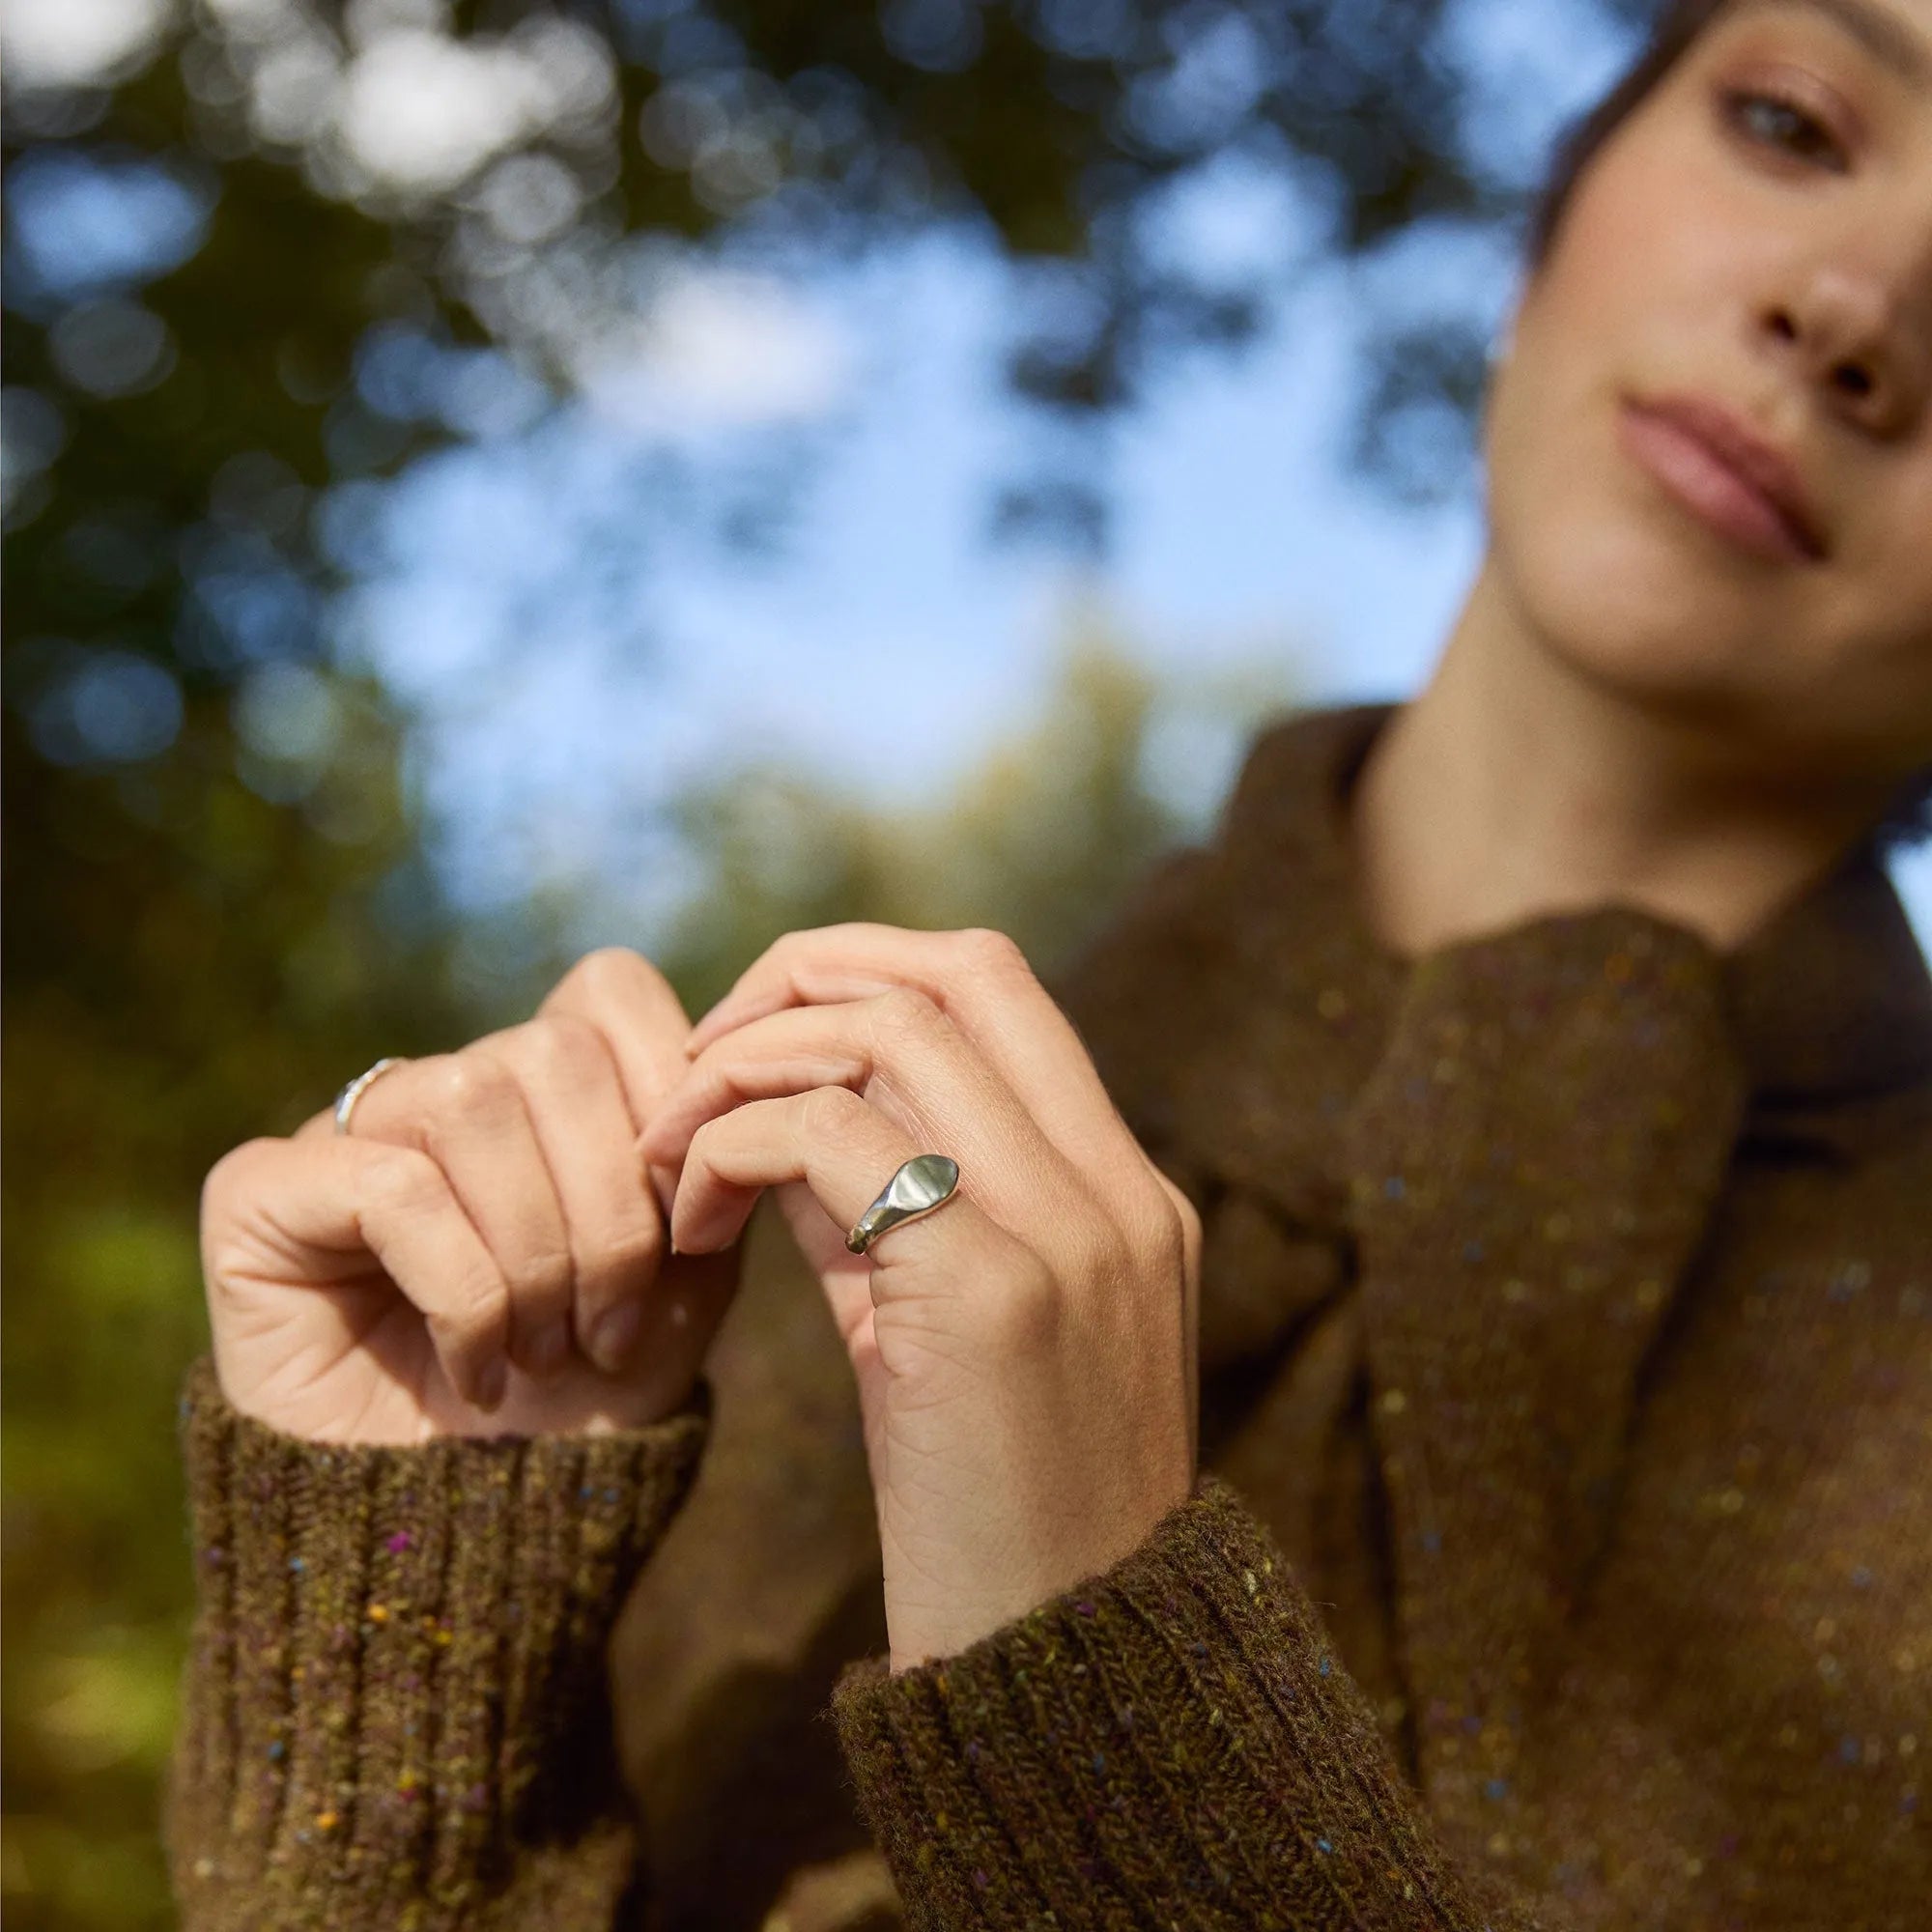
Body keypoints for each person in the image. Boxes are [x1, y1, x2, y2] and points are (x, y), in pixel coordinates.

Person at [166, 0, 1932, 1925]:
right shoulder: (773, 1182)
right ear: (1557, 207)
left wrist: (1104, 1695)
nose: (1849, 313)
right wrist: (421, 1591)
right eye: (1790, 122)